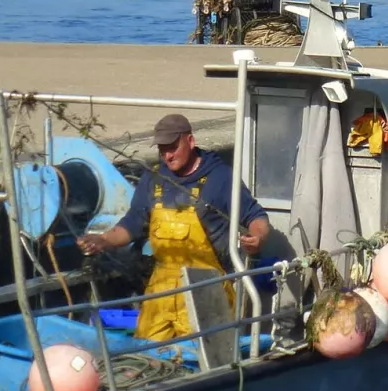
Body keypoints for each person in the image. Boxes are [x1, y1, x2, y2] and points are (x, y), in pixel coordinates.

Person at [77, 113, 271, 345]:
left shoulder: (221, 178)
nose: (167, 155)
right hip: (161, 289)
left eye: (172, 147)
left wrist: (257, 238)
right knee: (145, 356)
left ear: (190, 141)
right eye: (162, 149)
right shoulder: (153, 179)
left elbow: (256, 217)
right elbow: (132, 225)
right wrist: (103, 240)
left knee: (205, 356)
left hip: (207, 287)